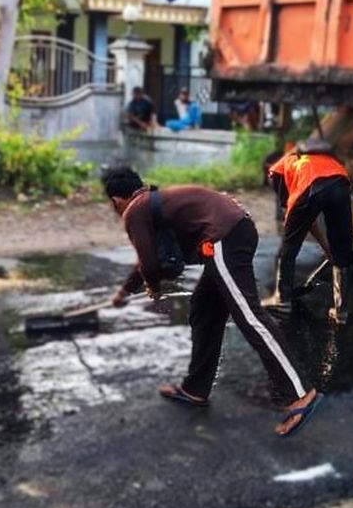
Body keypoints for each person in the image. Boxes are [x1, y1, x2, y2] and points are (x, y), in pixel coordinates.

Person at [102, 167, 323, 437]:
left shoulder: (135, 211)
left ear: (116, 200)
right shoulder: (152, 202)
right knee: (204, 309)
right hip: (233, 231)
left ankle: (299, 395)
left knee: (249, 316)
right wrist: (124, 292)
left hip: (223, 239)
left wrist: (153, 286)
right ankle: (196, 389)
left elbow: (148, 262)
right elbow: (147, 261)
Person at [265, 139, 353, 322]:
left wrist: (323, 246)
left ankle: (283, 302)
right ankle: (341, 312)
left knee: (289, 248)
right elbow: (311, 221)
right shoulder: (325, 161)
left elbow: (301, 221)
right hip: (341, 183)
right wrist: (332, 246)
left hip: (311, 186)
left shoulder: (276, 171)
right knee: (342, 254)